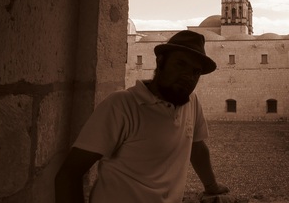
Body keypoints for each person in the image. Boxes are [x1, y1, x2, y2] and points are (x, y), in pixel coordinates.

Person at [55, 30, 229, 203]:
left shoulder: (191, 101)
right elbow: (69, 174)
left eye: (196, 71)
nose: (188, 76)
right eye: (180, 64)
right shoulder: (122, 105)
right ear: (160, 61)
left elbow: (197, 147)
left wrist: (211, 185)